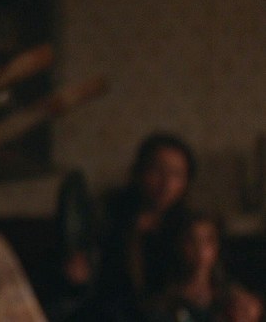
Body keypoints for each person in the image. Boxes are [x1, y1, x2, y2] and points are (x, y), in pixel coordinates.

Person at [69, 132, 197, 321]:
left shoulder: (187, 227)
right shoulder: (108, 217)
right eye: (158, 170)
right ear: (139, 171)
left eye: (177, 174)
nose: (166, 183)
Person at [146, 210, 263, 322]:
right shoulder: (166, 303)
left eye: (208, 240)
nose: (200, 249)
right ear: (180, 245)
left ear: (216, 246)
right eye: (192, 240)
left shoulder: (230, 297)